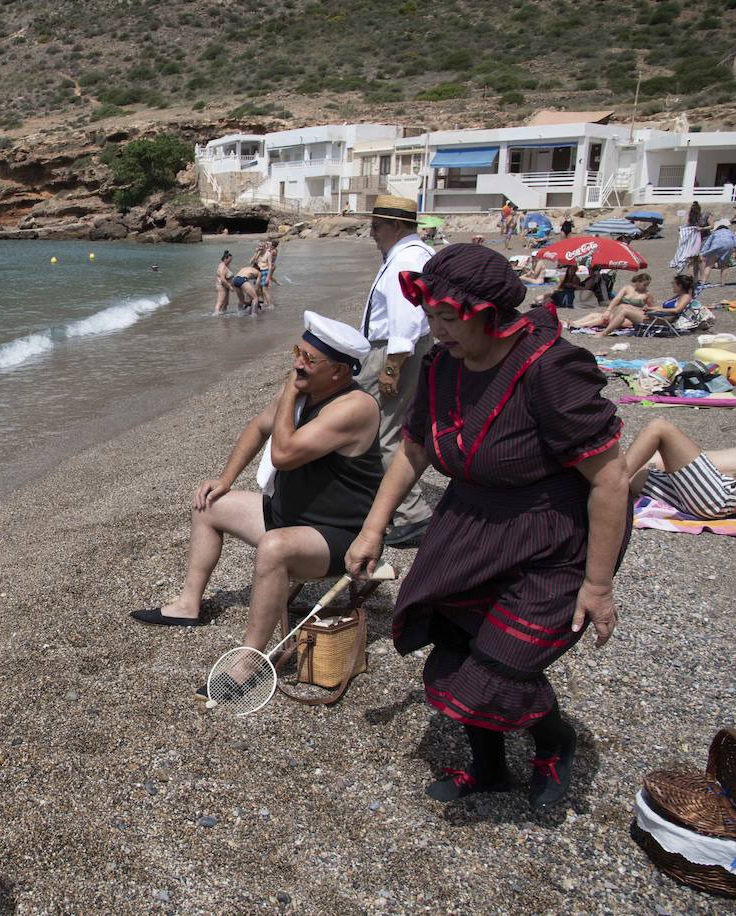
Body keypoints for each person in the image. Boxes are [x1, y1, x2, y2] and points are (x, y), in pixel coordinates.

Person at [346, 244, 629, 809]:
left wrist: (597, 586)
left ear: (489, 314)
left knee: (504, 661)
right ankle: (491, 767)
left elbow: (611, 479)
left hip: (545, 536)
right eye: (431, 316)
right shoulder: (442, 364)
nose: (437, 330)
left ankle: (555, 740)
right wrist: (372, 529)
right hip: (468, 524)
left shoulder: (549, 370)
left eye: (448, 318)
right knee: (456, 643)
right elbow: (415, 448)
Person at [130, 311, 382, 650]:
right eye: (298, 352)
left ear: (338, 371)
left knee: (274, 548)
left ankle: (251, 658)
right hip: (288, 515)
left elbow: (283, 453)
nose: (298, 364)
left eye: (309, 358)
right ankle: (188, 605)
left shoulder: (354, 407)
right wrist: (225, 478)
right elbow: (259, 426)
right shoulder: (306, 387)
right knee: (209, 505)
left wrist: (290, 396)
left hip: (339, 536)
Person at [356, 195, 436, 547]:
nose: (372, 233)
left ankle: (411, 515)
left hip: (395, 351)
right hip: (400, 350)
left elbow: (406, 319)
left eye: (376, 227)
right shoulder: (415, 254)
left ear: (397, 226)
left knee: (381, 432)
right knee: (390, 428)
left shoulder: (407, 258)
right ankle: (391, 506)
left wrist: (391, 368)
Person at [626, 419, 736, 519]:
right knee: (639, 475)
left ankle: (613, 483)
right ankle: (612, 485)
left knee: (660, 427)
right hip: (716, 497)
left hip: (720, 499)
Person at [566, 273, 655, 332]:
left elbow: (652, 309)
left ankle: (578, 326)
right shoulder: (627, 288)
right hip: (618, 313)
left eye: (647, 285)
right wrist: (608, 310)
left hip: (631, 318)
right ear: (638, 282)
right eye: (644, 285)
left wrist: (643, 310)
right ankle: (572, 323)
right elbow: (616, 299)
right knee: (593, 314)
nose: (646, 287)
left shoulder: (647, 294)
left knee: (604, 319)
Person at [698, 219, 735, 287]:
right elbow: (735, 241)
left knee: (709, 265)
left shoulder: (715, 233)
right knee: (725, 265)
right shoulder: (730, 232)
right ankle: (723, 283)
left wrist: (702, 253)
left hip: (716, 246)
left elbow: (707, 243)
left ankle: (703, 282)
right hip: (729, 246)